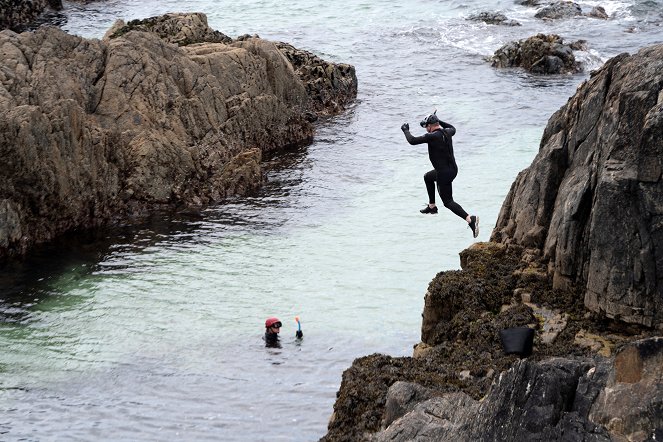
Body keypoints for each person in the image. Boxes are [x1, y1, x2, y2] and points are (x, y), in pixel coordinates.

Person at [401, 111, 479, 238]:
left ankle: (470, 219)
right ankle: (432, 206)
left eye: (427, 126)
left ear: (430, 126)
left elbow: (412, 141)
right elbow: (453, 128)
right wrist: (439, 120)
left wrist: (405, 130)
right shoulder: (447, 132)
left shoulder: (431, 136)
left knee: (448, 202)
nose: (426, 129)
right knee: (428, 177)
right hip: (452, 169)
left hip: (444, 174)